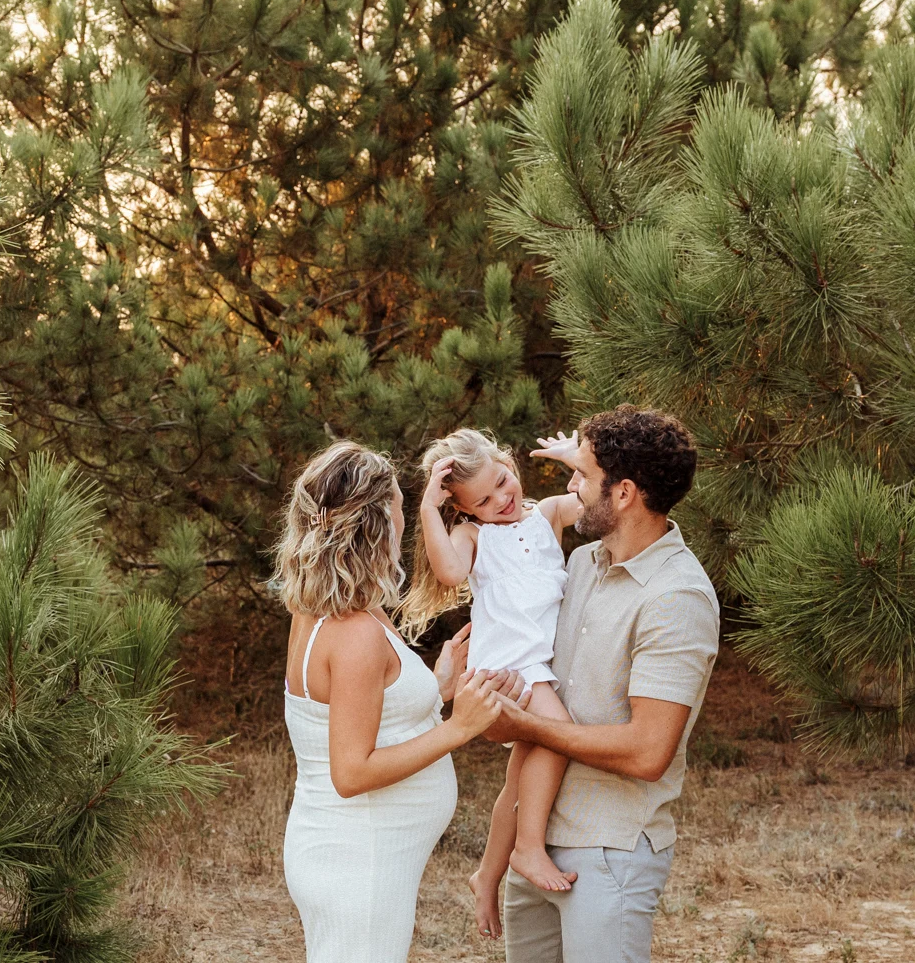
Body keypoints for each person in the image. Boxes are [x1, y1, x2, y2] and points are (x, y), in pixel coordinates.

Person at [487, 406, 720, 963]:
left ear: (623, 494)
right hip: (537, 839)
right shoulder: (585, 561)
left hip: (610, 850)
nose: (571, 485)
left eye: (582, 476)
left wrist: (526, 724)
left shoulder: (676, 597)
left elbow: (647, 752)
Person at [278, 439, 526, 963]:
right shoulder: (354, 633)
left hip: (343, 851)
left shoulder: (328, 607)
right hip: (359, 863)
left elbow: (358, 712)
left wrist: (436, 689)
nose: (404, 525)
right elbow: (352, 771)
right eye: (397, 510)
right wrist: (458, 728)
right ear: (375, 525)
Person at [403, 427, 585, 941]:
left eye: (503, 482)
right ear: (463, 511)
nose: (501, 500)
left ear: (509, 463)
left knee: (521, 771)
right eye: (482, 500)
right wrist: (426, 511)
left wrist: (579, 459)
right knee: (559, 734)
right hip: (505, 667)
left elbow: (599, 498)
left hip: (536, 663)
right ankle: (528, 846)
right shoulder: (473, 538)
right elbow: (448, 570)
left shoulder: (547, 514)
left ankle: (487, 872)